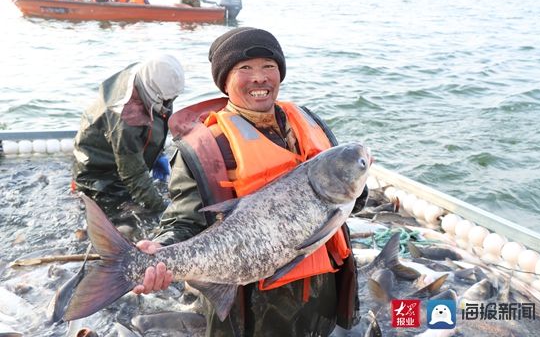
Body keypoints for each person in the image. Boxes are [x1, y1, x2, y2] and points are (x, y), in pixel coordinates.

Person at [133, 28, 367, 336]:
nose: (259, 78)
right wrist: (161, 249)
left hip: (322, 290)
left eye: (269, 66)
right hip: (252, 303)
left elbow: (352, 198)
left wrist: (360, 183)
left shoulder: (307, 121)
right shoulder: (202, 148)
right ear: (224, 81)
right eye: (245, 68)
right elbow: (185, 221)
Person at [72, 55, 185, 216]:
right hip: (100, 178)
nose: (169, 104)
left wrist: (157, 153)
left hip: (120, 151)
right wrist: (162, 208)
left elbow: (160, 114)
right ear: (151, 93)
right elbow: (134, 175)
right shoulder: (125, 121)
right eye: (165, 100)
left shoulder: (147, 77)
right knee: (127, 223)